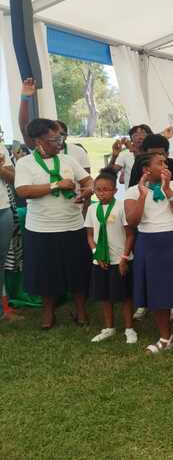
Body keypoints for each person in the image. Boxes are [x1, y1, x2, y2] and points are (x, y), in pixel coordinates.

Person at [14, 118, 93, 329]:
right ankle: (48, 313)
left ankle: (81, 310)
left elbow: (88, 180)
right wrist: (56, 184)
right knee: (45, 273)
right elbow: (23, 190)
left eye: (60, 139)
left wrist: (88, 191)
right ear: (38, 141)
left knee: (77, 270)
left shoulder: (68, 160)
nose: (59, 144)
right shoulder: (25, 163)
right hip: (41, 228)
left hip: (73, 225)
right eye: (54, 140)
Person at [124, 152, 173, 355]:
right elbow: (132, 221)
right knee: (156, 291)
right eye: (160, 163)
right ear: (146, 170)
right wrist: (142, 195)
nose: (165, 166)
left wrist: (166, 189)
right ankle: (166, 337)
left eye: (165, 162)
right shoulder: (132, 191)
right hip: (149, 244)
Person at [85, 169, 136, 344]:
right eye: (98, 189)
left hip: (119, 259)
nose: (101, 193)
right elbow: (90, 235)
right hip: (100, 260)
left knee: (125, 296)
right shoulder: (92, 209)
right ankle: (109, 327)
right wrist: (96, 254)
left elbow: (130, 235)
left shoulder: (121, 207)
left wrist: (124, 258)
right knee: (104, 296)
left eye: (106, 189)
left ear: (114, 190)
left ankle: (129, 328)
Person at [108, 124, 153, 190]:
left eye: (143, 134)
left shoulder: (153, 153)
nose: (139, 137)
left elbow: (142, 166)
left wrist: (133, 150)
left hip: (152, 194)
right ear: (131, 140)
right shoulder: (125, 154)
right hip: (132, 195)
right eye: (135, 135)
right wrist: (114, 156)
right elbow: (110, 173)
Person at [0, 142, 16, 320]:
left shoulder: (0, 146)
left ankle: (2, 310)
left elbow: (14, 178)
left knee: (1, 262)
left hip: (3, 210)